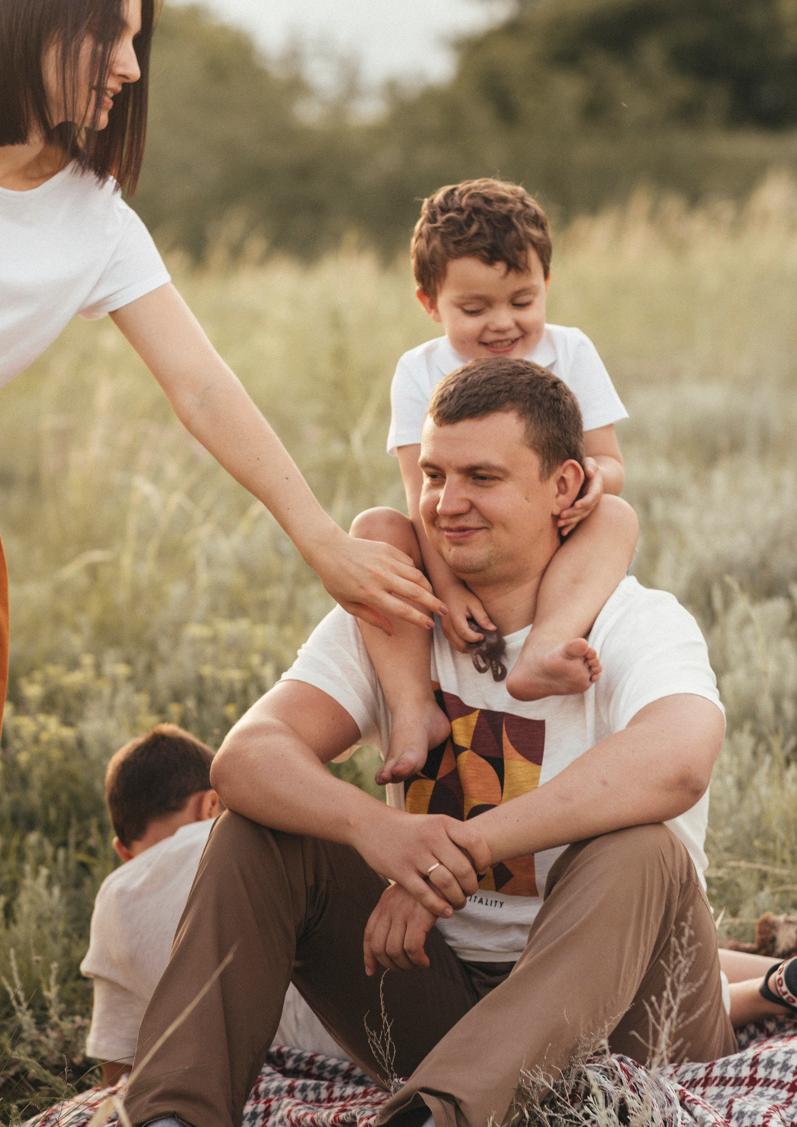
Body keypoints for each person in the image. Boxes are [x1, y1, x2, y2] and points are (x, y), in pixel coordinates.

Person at [124, 357, 739, 1127]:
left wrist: (456, 853)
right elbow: (247, 758)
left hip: (632, 1021)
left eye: (481, 477)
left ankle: (436, 1117)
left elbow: (677, 761)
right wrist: (376, 831)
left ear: (564, 488)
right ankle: (172, 1116)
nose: (447, 504)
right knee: (259, 830)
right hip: (437, 999)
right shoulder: (396, 619)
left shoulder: (633, 620)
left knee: (641, 847)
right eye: (434, 476)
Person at [0, 0, 441, 732]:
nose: (132, 67)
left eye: (137, 40)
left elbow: (201, 387)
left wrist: (322, 544)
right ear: (29, 20)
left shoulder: (94, 219)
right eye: (108, 34)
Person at [351, 178, 639, 785]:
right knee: (374, 529)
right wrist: (448, 589)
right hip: (456, 542)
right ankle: (411, 710)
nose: (503, 325)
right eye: (475, 309)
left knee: (618, 515)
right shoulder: (420, 369)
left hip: (548, 538)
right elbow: (421, 495)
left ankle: (545, 646)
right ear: (431, 303)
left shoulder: (571, 350)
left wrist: (593, 482)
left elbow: (610, 462)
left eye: (522, 301)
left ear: (547, 287)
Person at [81, 723, 352, 1087]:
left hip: (250, 1083)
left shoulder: (116, 894)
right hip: (362, 1053)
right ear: (211, 804)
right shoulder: (261, 832)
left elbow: (119, 1071)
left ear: (122, 851)